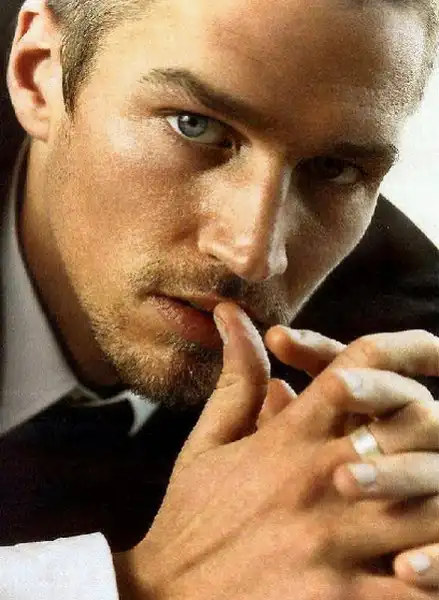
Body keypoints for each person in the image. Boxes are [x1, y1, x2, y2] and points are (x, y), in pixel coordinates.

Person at [2, 0, 439, 597]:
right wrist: (142, 583)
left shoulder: (408, 368)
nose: (254, 253)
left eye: (334, 169)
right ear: (38, 76)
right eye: (195, 125)